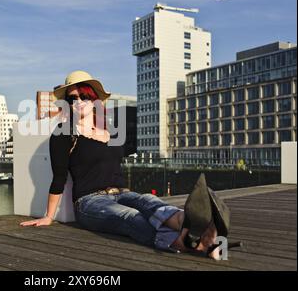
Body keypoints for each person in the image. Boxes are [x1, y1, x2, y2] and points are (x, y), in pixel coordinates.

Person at [20, 70, 221, 259]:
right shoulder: (63, 133)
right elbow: (59, 176)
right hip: (90, 202)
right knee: (132, 217)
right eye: (72, 98)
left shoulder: (113, 133)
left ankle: (198, 225)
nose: (79, 102)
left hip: (123, 193)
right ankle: (196, 244)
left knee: (151, 203)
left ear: (94, 100)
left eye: (84, 96)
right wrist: (48, 216)